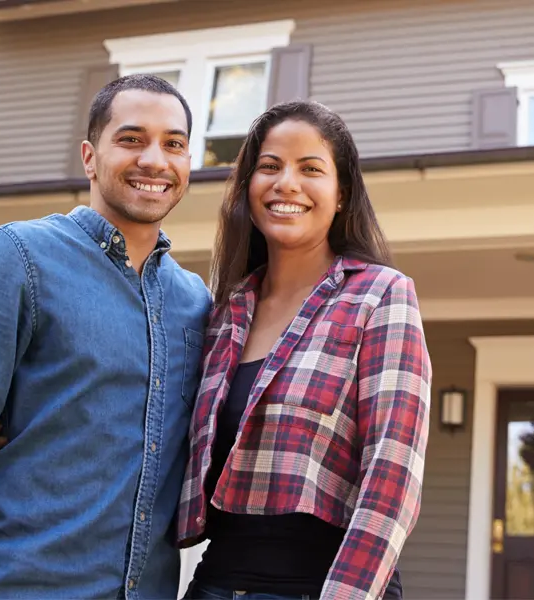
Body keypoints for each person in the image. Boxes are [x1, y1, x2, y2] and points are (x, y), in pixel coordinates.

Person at [0, 74, 212, 599]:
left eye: (173, 144)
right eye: (131, 139)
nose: (155, 160)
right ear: (90, 157)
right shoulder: (17, 257)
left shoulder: (195, 302)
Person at [176, 101, 431, 600]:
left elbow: (392, 477)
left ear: (341, 196)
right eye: (269, 166)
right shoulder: (224, 313)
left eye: (310, 168)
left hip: (323, 585)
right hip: (215, 583)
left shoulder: (381, 296)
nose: (286, 183)